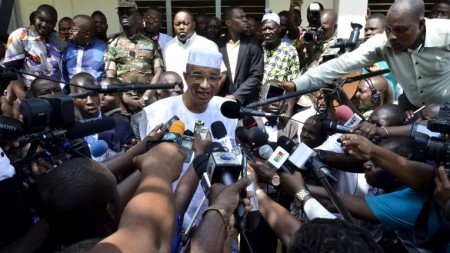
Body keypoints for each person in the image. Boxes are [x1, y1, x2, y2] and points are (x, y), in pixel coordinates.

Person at [283, 0, 450, 109]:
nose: (392, 36)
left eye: (401, 30)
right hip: (412, 107)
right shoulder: (383, 43)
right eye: (388, 29)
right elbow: (342, 64)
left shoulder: (446, 34)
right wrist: (296, 84)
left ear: (420, 25)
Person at [140, 48, 238, 230]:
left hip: (216, 214)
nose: (205, 85)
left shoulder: (226, 110)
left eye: (213, 78)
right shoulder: (157, 112)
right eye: (198, 76)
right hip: (168, 215)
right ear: (186, 77)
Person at [105, 0, 163, 114]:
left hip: (148, 102)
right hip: (123, 103)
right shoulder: (113, 43)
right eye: (121, 13)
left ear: (137, 15)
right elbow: (111, 76)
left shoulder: (151, 43)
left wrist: (144, 98)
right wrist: (126, 98)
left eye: (128, 12)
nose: (124, 15)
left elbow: (159, 73)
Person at [3, 4, 66, 100]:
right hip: (31, 95)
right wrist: (24, 97)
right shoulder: (20, 35)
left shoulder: (61, 39)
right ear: (35, 17)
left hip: (57, 94)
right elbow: (12, 71)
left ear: (55, 23)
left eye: (49, 22)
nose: (44, 24)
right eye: (41, 19)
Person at [70, 72, 134, 155]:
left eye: (94, 94)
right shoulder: (66, 133)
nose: (90, 101)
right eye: (82, 96)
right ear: (72, 99)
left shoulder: (121, 127)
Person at [163, 10, 227, 90]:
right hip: (173, 98)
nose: (181, 27)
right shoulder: (168, 46)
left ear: (193, 25)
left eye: (185, 23)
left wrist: (209, 96)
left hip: (200, 99)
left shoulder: (208, 45)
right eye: (177, 24)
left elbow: (222, 74)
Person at [217, 6, 263, 105]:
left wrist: (236, 96)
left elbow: (256, 75)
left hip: (248, 103)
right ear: (229, 22)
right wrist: (223, 96)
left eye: (245, 17)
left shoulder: (254, 45)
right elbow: (213, 75)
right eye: (240, 17)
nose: (245, 20)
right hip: (222, 101)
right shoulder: (217, 46)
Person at [62, 15, 107, 93]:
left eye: (73, 30)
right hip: (73, 99)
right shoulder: (68, 50)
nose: (70, 32)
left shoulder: (104, 49)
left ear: (87, 34)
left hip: (96, 98)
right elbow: (64, 78)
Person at [362, 13, 399, 101]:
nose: (368, 33)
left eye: (372, 29)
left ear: (384, 31)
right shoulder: (362, 56)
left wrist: (380, 74)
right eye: (366, 30)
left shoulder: (394, 57)